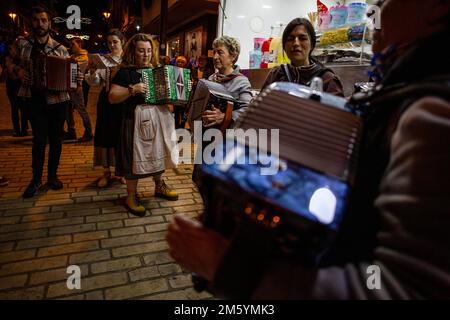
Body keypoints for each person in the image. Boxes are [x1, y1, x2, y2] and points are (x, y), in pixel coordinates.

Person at [167, 0, 450, 299]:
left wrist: (228, 268)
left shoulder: (435, 112)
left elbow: (398, 287)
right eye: (291, 38)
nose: (372, 11)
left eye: (384, 2)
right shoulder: (402, 89)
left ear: (436, 8)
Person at [109, 33, 179, 217]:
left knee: (159, 152)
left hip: (158, 119)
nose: (146, 54)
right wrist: (132, 89)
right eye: (141, 51)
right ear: (133, 51)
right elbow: (112, 97)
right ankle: (131, 196)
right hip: (134, 121)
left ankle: (159, 185)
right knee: (133, 157)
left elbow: (168, 96)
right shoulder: (125, 72)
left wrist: (176, 94)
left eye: (149, 51)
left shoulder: (157, 70)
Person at [16, 6, 80, 198]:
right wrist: (18, 72)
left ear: (49, 23)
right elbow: (9, 63)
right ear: (31, 22)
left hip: (58, 101)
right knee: (38, 141)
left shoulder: (60, 49)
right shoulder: (21, 44)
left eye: (43, 20)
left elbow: (72, 77)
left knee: (56, 140)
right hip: (33, 100)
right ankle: (36, 179)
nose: (40, 24)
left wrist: (76, 78)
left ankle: (52, 176)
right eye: (36, 20)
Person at [261, 18, 344, 96]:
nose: (296, 43)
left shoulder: (327, 79)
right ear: (284, 47)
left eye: (302, 38)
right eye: (290, 39)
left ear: (312, 45)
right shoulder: (276, 75)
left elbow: (338, 110)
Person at [85, 29, 126, 188]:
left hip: (123, 100)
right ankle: (106, 172)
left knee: (121, 136)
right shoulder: (104, 60)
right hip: (106, 101)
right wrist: (93, 71)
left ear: (122, 41)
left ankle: (121, 171)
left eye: (115, 42)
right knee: (105, 134)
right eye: (109, 42)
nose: (112, 45)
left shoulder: (127, 59)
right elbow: (95, 82)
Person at [65, 37, 93, 142]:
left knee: (81, 110)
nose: (70, 46)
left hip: (77, 88)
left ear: (80, 45)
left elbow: (74, 67)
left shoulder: (84, 57)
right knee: (67, 110)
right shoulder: (73, 56)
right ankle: (71, 131)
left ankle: (88, 132)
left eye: (73, 44)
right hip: (68, 87)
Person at [5, 43, 29, 137]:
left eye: (13, 49)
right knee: (14, 108)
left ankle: (24, 130)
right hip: (12, 86)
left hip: (20, 85)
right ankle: (16, 130)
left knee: (23, 108)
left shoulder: (22, 58)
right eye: (10, 49)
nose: (11, 51)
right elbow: (11, 71)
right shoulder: (8, 59)